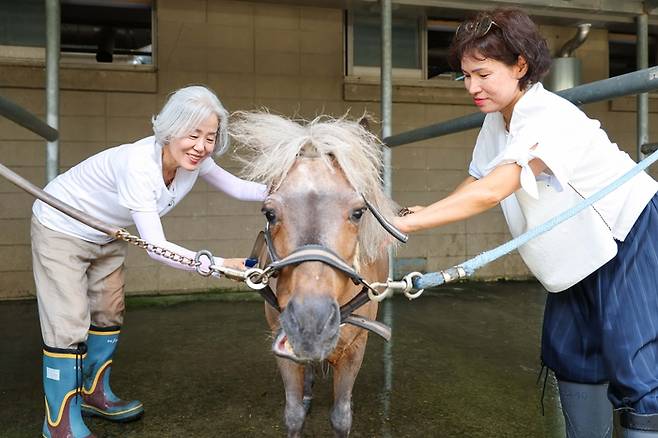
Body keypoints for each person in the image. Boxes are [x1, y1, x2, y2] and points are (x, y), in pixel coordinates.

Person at [392, 8, 658, 438]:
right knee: (572, 352)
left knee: (634, 358)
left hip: (627, 232)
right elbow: (478, 177)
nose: (473, 88)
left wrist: (414, 226)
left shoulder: (550, 116)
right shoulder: (496, 120)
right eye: (466, 76)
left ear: (520, 66)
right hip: (575, 250)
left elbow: (494, 189)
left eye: (483, 74)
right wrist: (419, 213)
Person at [31, 85, 266, 438]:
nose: (201, 146)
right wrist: (218, 264)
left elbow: (240, 188)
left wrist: (294, 188)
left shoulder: (195, 163)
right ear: (170, 130)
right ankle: (59, 424)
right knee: (68, 323)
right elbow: (156, 247)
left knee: (109, 310)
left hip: (106, 232)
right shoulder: (139, 165)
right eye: (193, 135)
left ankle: (95, 394)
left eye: (210, 137)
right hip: (61, 227)